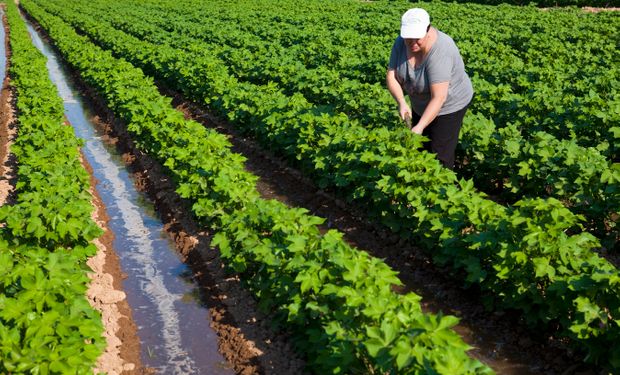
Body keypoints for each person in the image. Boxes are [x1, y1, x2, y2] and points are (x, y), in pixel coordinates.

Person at [386, 8, 473, 170]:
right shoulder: (400, 42)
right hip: (420, 101)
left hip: (449, 105)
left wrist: (419, 127)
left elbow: (439, 97)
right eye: (408, 38)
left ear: (428, 30)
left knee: (439, 152)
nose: (412, 43)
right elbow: (391, 76)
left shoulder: (441, 49)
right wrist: (401, 103)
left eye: (417, 38)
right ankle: (420, 184)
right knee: (420, 147)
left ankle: (444, 186)